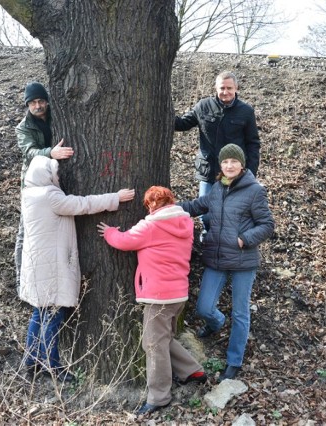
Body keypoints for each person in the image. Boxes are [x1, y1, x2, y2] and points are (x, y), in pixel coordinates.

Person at [19, 155, 135, 383]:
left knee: (40, 313)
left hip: (37, 264)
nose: (58, 176)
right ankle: (53, 367)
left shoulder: (29, 194)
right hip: (50, 266)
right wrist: (115, 198)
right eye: (55, 172)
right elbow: (82, 204)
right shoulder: (49, 195)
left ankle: (32, 362)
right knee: (52, 315)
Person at [97, 186, 206, 415]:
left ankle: (159, 396)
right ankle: (192, 370)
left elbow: (125, 240)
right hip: (178, 294)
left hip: (158, 296)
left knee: (153, 345)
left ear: (151, 205)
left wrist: (109, 232)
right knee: (164, 337)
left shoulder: (153, 224)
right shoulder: (185, 224)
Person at [178, 144, 274, 382]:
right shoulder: (217, 189)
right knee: (204, 307)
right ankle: (216, 323)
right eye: (225, 162)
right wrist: (167, 206)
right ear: (220, 166)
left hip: (243, 261)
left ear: (242, 164)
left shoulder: (254, 191)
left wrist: (244, 239)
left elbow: (267, 225)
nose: (229, 166)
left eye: (234, 161)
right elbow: (195, 207)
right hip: (217, 258)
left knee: (240, 312)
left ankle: (234, 361)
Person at [174, 71, 261, 236]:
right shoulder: (203, 106)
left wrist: (250, 171)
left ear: (236, 88)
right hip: (209, 172)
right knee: (206, 214)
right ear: (216, 88)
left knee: (229, 213)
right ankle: (207, 234)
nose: (225, 92)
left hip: (232, 172)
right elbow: (183, 124)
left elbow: (253, 143)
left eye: (229, 88)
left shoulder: (246, 111)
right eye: (222, 88)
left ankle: (223, 243)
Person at [14, 81, 74, 291]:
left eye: (40, 101)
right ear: (28, 105)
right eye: (32, 103)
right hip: (34, 185)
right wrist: (51, 153)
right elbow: (29, 152)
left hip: (59, 179)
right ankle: (21, 281)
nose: (37, 106)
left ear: (47, 102)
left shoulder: (59, 115)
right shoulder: (23, 127)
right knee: (26, 231)